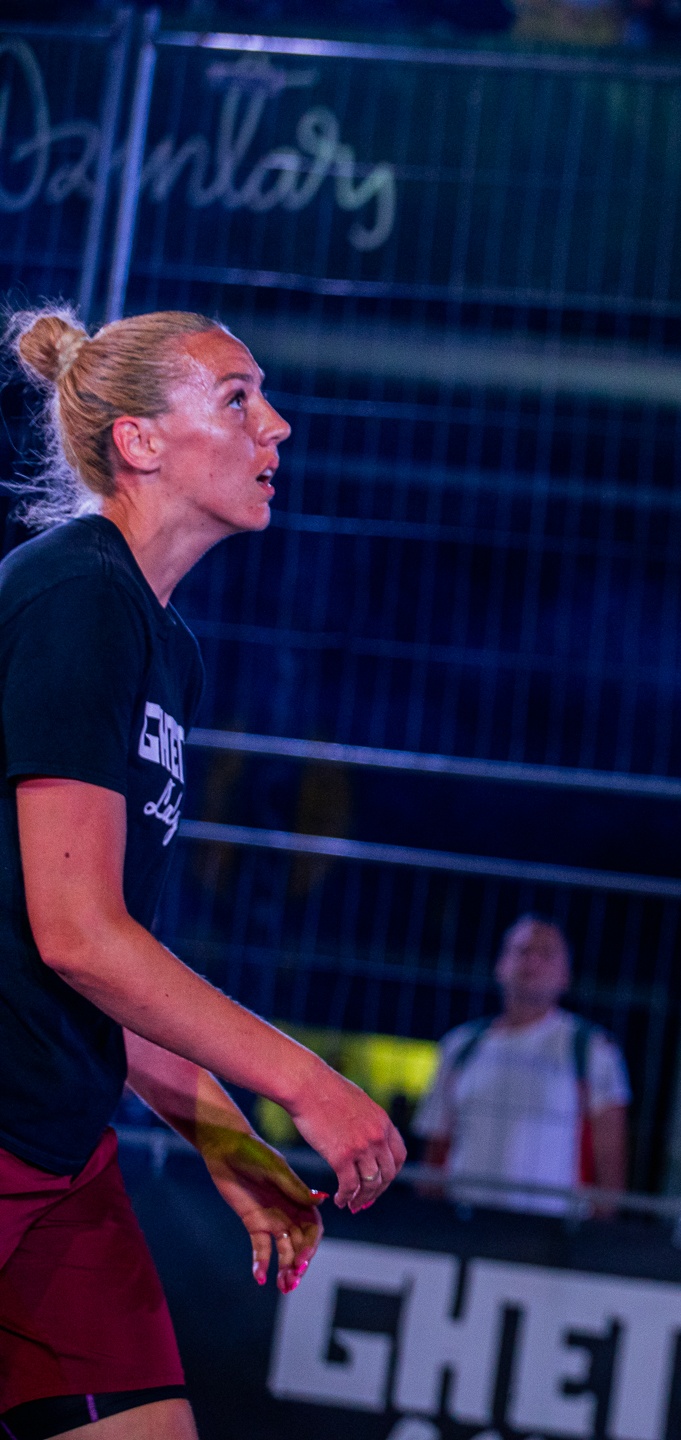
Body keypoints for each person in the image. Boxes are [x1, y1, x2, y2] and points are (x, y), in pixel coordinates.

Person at [0, 306, 406, 1440]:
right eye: (237, 399)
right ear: (138, 441)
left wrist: (228, 1143)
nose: (277, 425)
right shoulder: (76, 596)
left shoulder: (163, 644)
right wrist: (308, 1084)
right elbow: (78, 936)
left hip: (55, 1145)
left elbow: (106, 963)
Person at [413, 916, 631, 1217]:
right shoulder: (461, 1046)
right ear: (500, 965)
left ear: (565, 975)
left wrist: (599, 1230)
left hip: (550, 1226)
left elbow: (610, 1157)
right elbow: (436, 1145)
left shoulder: (592, 1050)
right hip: (462, 1217)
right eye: (522, 951)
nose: (532, 962)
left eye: (547, 954)